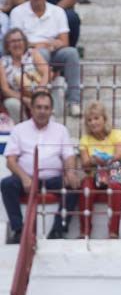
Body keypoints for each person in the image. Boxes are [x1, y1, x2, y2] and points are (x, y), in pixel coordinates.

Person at [1, 88, 79, 243]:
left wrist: (70, 172)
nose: (42, 111)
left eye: (46, 108)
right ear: (31, 109)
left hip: (53, 179)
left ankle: (57, 231)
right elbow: (10, 160)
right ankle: (19, 230)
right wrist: (24, 178)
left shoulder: (61, 130)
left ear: (51, 110)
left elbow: (69, 155)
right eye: (39, 107)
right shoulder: (19, 129)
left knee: (74, 186)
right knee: (7, 184)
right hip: (27, 178)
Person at [8, 0, 81, 113]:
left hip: (54, 51)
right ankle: (44, 100)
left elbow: (65, 42)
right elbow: (17, 42)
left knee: (72, 53)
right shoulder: (17, 12)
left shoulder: (57, 11)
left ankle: (74, 101)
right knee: (41, 53)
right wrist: (45, 44)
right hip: (28, 55)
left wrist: (45, 44)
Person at [77, 101, 121, 241]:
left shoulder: (116, 133)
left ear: (104, 119)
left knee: (115, 185)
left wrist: (107, 160)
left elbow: (119, 154)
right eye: (89, 120)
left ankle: (113, 231)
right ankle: (85, 231)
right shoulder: (85, 139)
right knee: (86, 185)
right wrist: (94, 161)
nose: (93, 123)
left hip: (114, 171)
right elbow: (85, 164)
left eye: (96, 118)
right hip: (95, 173)